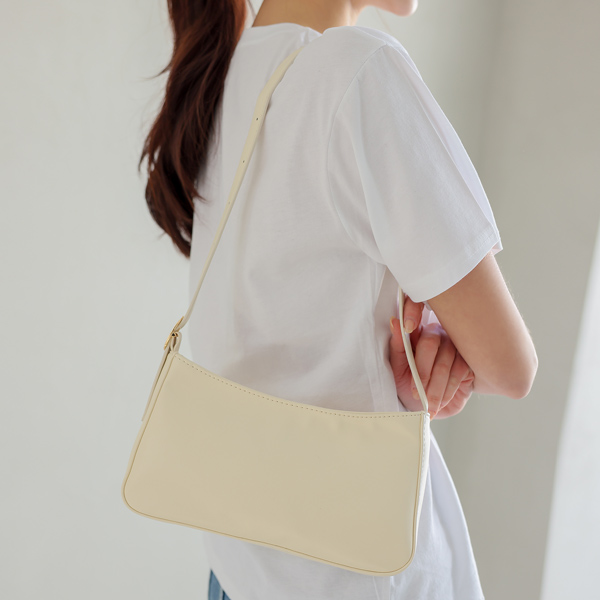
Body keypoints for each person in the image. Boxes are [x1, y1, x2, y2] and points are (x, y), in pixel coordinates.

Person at [139, 0, 538, 598]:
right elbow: (511, 365)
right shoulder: (358, 71)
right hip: (352, 575)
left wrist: (415, 348)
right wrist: (438, 340)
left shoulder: (226, 73)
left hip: (240, 569)